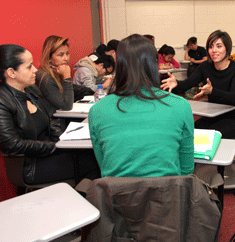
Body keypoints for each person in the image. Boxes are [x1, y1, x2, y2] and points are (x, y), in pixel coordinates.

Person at [88, 34, 194, 178]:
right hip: (169, 197)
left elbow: (104, 167)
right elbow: (187, 170)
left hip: (117, 198)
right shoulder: (181, 106)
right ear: (154, 64)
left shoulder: (97, 110)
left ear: (119, 65)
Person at [0, 44, 100, 185]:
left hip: (49, 153)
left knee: (97, 155)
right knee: (96, 160)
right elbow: (13, 144)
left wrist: (65, 141)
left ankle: (83, 195)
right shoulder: (3, 101)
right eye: (29, 67)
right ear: (11, 72)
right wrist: (57, 146)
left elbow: (50, 121)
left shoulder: (31, 90)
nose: (35, 70)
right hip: (31, 166)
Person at [161, 30, 235, 139]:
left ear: (227, 48)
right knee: (187, 132)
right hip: (213, 116)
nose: (214, 50)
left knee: (205, 137)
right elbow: (188, 83)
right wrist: (176, 83)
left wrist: (212, 91)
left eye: (219, 46)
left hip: (234, 118)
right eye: (211, 47)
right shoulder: (205, 66)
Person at [35, 35, 74, 117]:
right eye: (61, 55)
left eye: (67, 53)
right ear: (49, 58)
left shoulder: (57, 71)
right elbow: (66, 105)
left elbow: (75, 89)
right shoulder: (45, 77)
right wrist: (67, 77)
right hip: (53, 124)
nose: (66, 58)